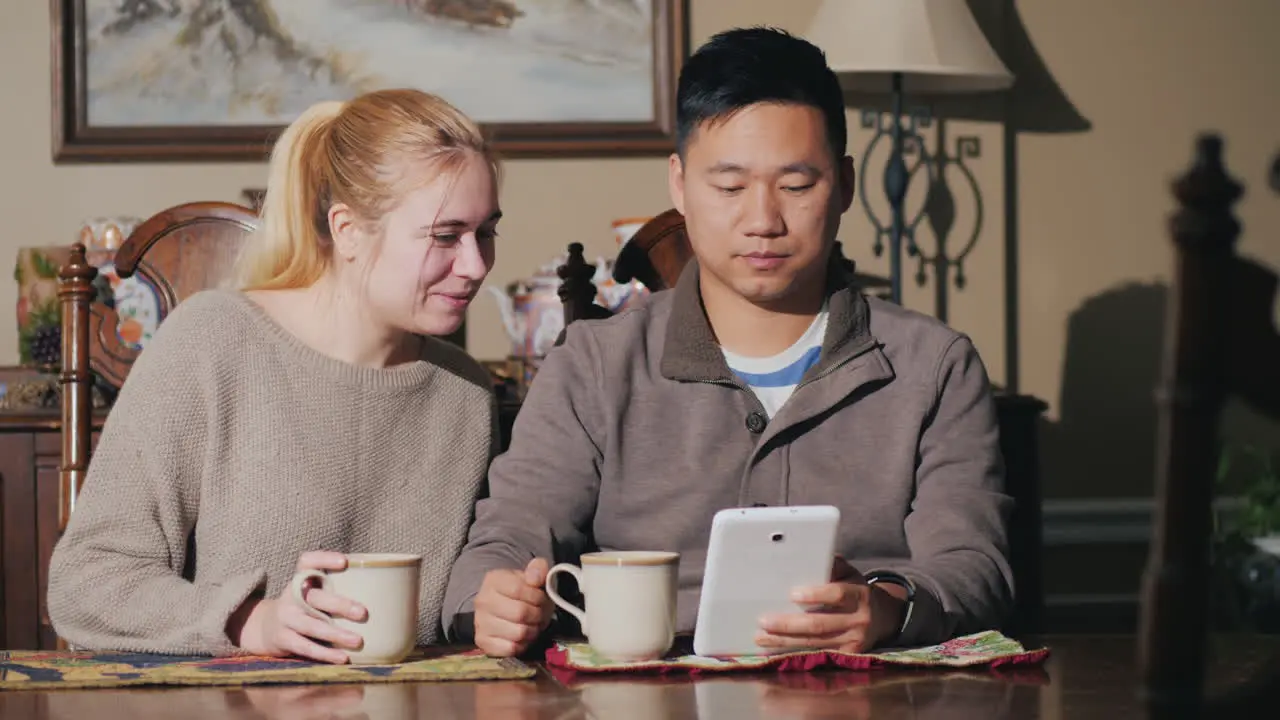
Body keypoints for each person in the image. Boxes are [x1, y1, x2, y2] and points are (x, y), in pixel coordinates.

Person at [443, 27, 1013, 657]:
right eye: (730, 188)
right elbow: (504, 542)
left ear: (845, 185)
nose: (763, 221)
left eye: (796, 186)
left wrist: (886, 609)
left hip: (867, 689)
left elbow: (974, 565)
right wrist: (489, 601)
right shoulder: (596, 363)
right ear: (679, 185)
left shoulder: (932, 366)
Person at [47, 88, 502, 663]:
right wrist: (247, 623)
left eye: (486, 232)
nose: (477, 265)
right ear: (348, 230)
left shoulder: (465, 394)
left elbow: (455, 611)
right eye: (446, 235)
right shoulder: (212, 342)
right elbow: (85, 583)